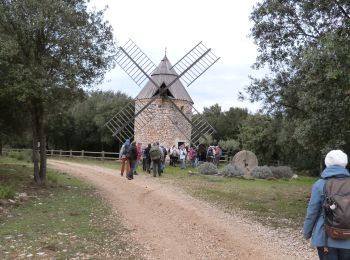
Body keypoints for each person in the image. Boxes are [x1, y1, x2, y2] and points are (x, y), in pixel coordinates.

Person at [303, 149, 350, 259]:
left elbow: (312, 213)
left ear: (326, 163)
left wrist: (307, 233)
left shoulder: (320, 184)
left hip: (326, 239)